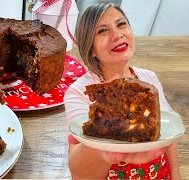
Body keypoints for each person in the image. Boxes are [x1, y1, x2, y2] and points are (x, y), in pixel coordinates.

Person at [64, 2, 181, 180]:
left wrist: (177, 176)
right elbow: (80, 174)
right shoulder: (80, 92)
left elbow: (168, 133)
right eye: (102, 31)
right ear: (91, 48)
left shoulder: (149, 78)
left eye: (121, 24)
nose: (117, 35)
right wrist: (103, 151)